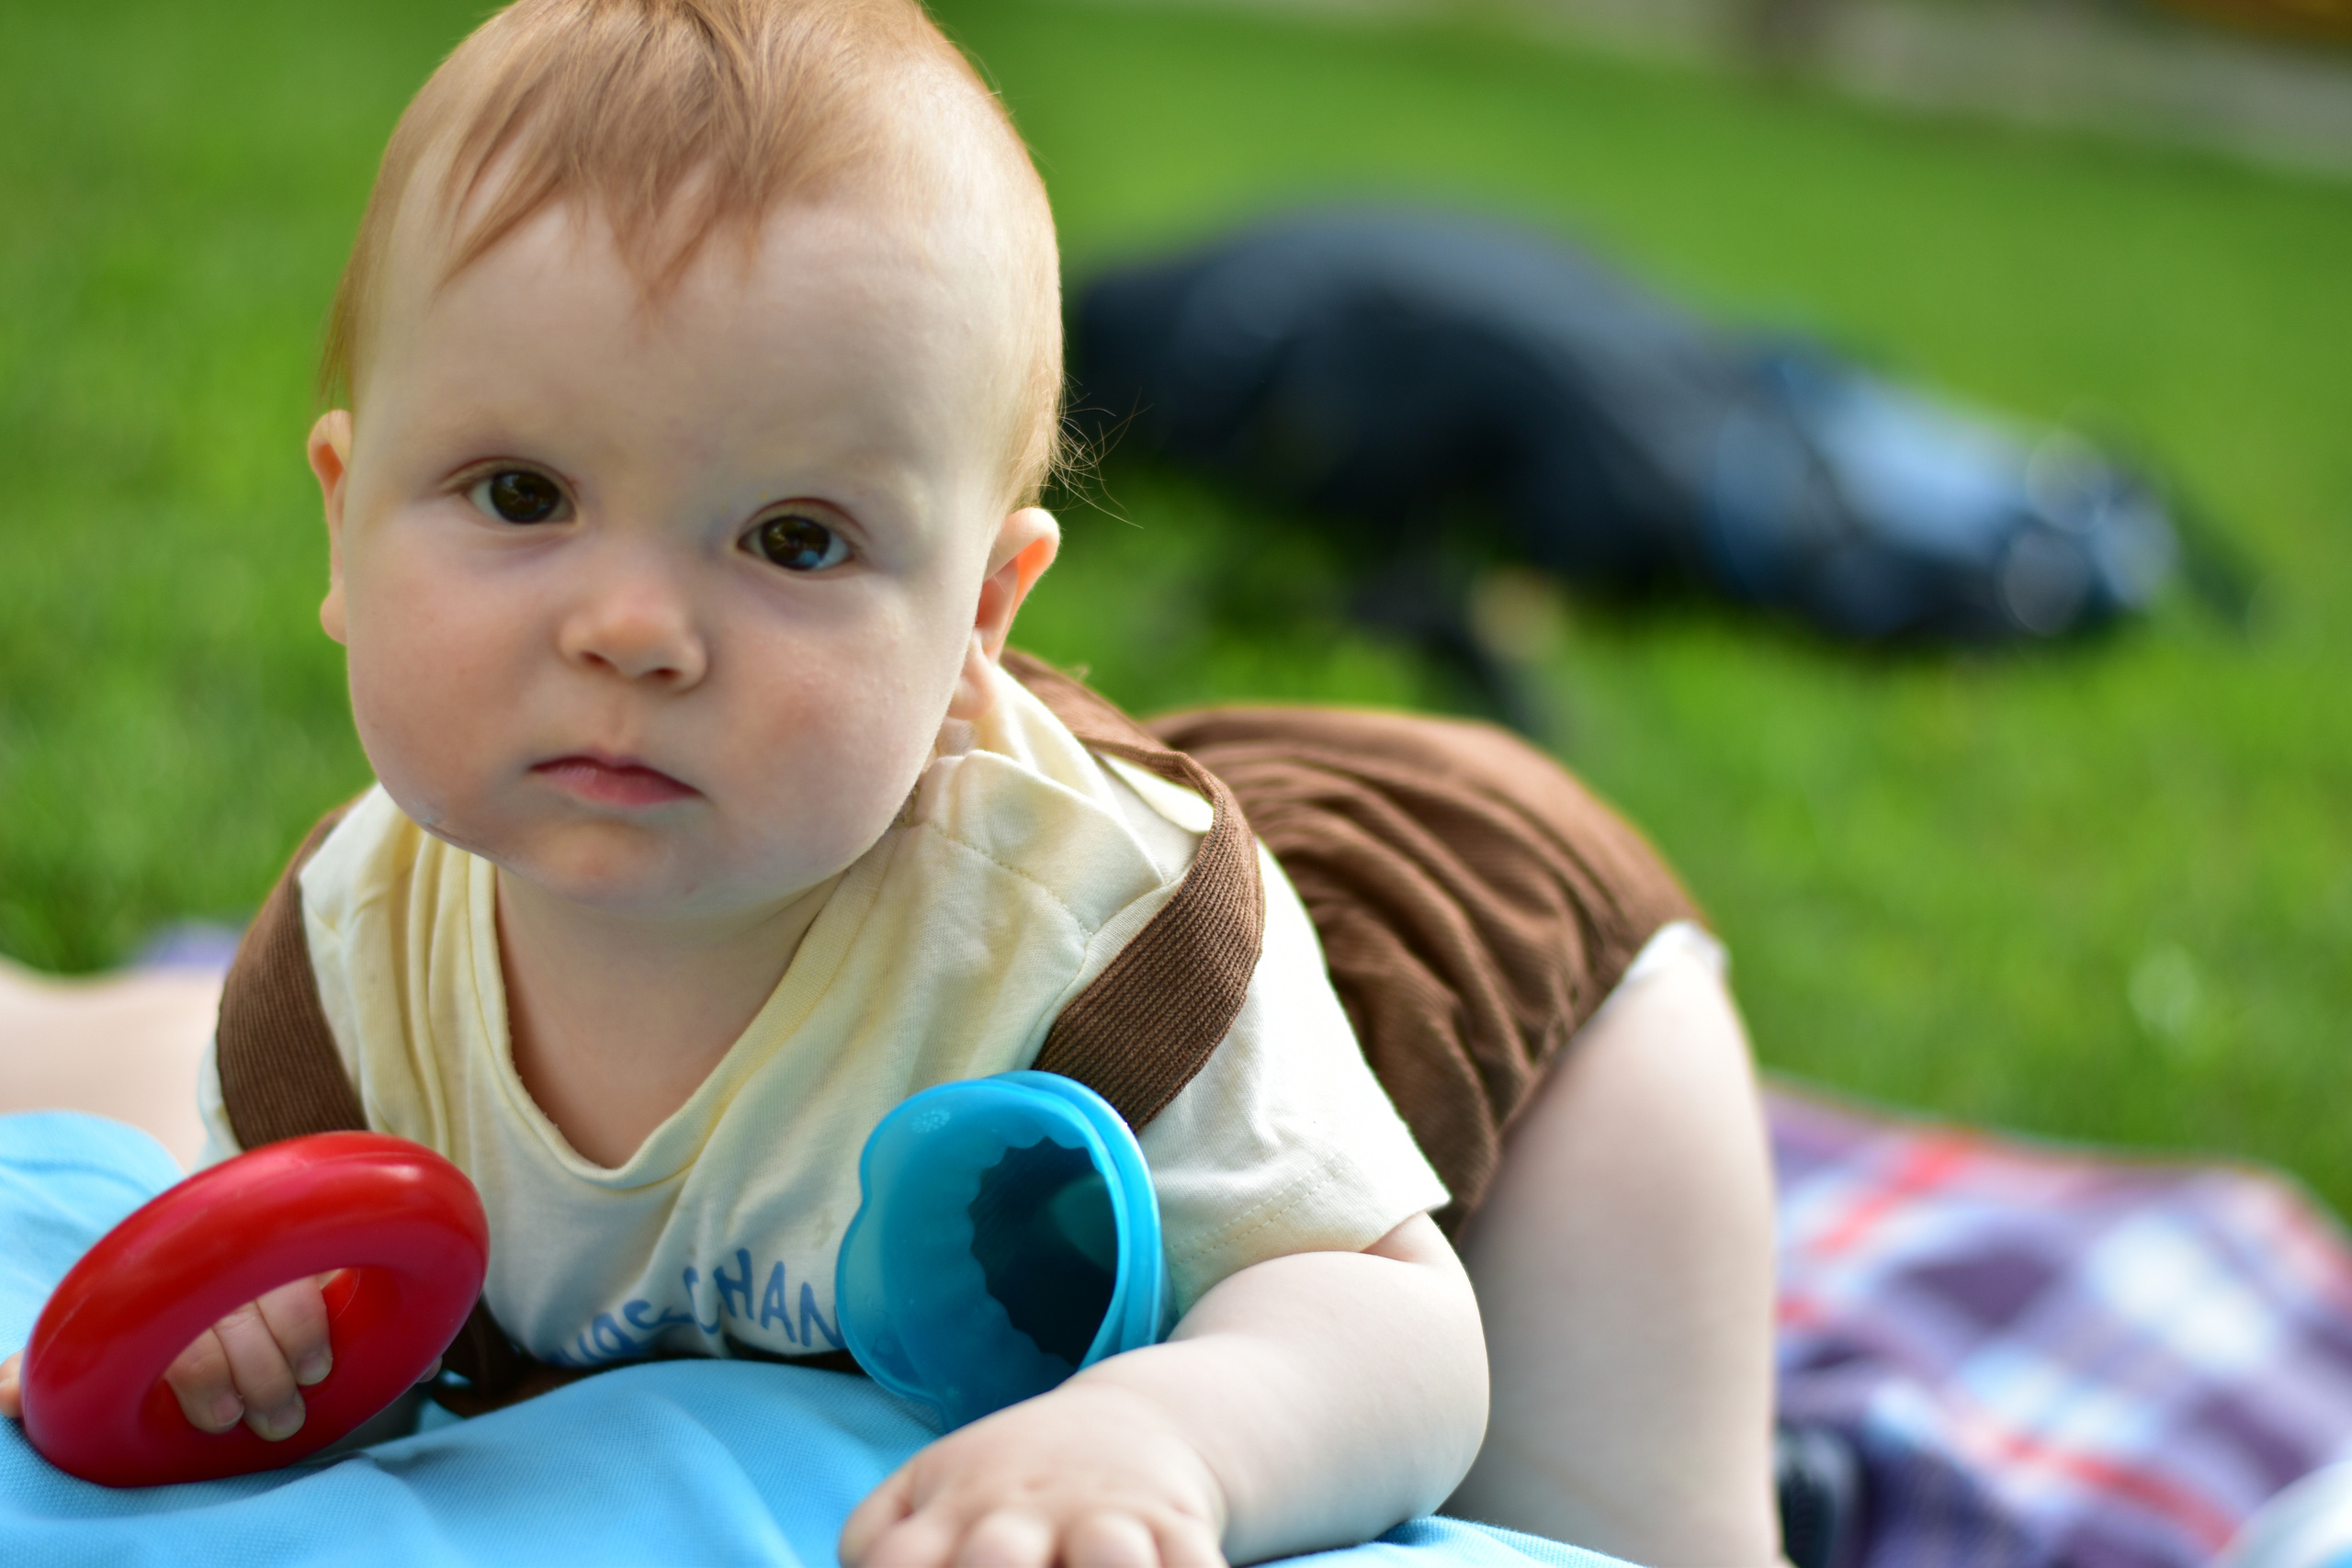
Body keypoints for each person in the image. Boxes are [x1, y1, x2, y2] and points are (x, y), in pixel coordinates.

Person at [0, 1, 1782, 1562]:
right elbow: (316, 1270)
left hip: (1499, 1004)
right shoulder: (349, 952)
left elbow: (1399, 1336)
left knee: (1597, 1537)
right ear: (343, 511)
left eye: (791, 535)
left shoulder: (1100, 951)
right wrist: (266, 1341)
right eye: (521, 495)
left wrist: (1174, 1430)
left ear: (977, 620)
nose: (631, 626)